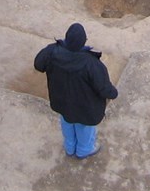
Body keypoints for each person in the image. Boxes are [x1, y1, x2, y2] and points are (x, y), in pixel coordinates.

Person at [33, 23, 118, 159]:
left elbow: (38, 64)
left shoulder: (52, 52)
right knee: (84, 127)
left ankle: (70, 147)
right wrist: (113, 93)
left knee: (67, 121)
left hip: (61, 100)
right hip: (85, 106)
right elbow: (103, 88)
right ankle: (84, 150)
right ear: (83, 41)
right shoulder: (91, 63)